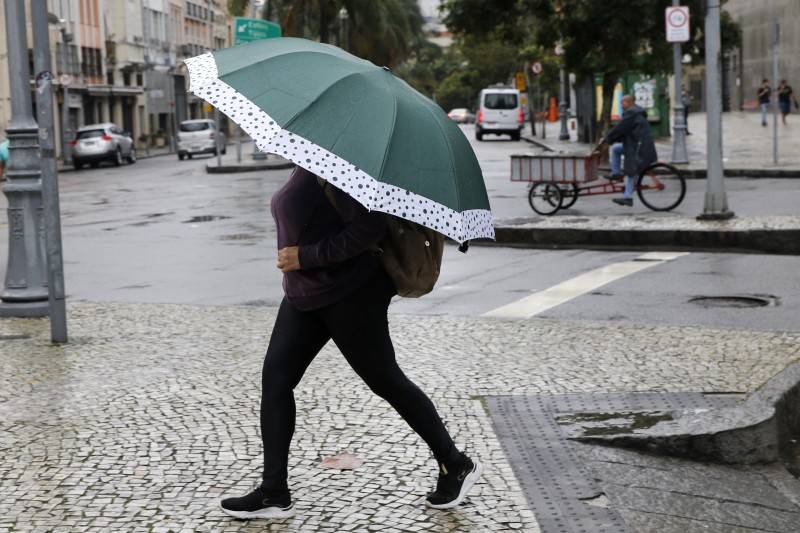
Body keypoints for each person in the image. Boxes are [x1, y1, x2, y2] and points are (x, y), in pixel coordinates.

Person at [219, 166, 482, 520]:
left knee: (386, 380)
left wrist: (305, 256)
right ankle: (273, 492)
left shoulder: (339, 169)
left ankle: (456, 463)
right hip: (304, 294)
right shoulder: (309, 163)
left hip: (350, 294)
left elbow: (367, 229)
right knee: (276, 380)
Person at [599, 94, 657, 207]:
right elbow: (626, 131)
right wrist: (610, 140)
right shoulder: (636, 111)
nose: (621, 105)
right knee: (616, 149)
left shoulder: (631, 113)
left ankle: (628, 197)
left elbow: (621, 128)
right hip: (638, 144)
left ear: (629, 102)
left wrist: (607, 138)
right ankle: (616, 173)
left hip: (637, 146)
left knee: (631, 169)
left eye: (623, 103)